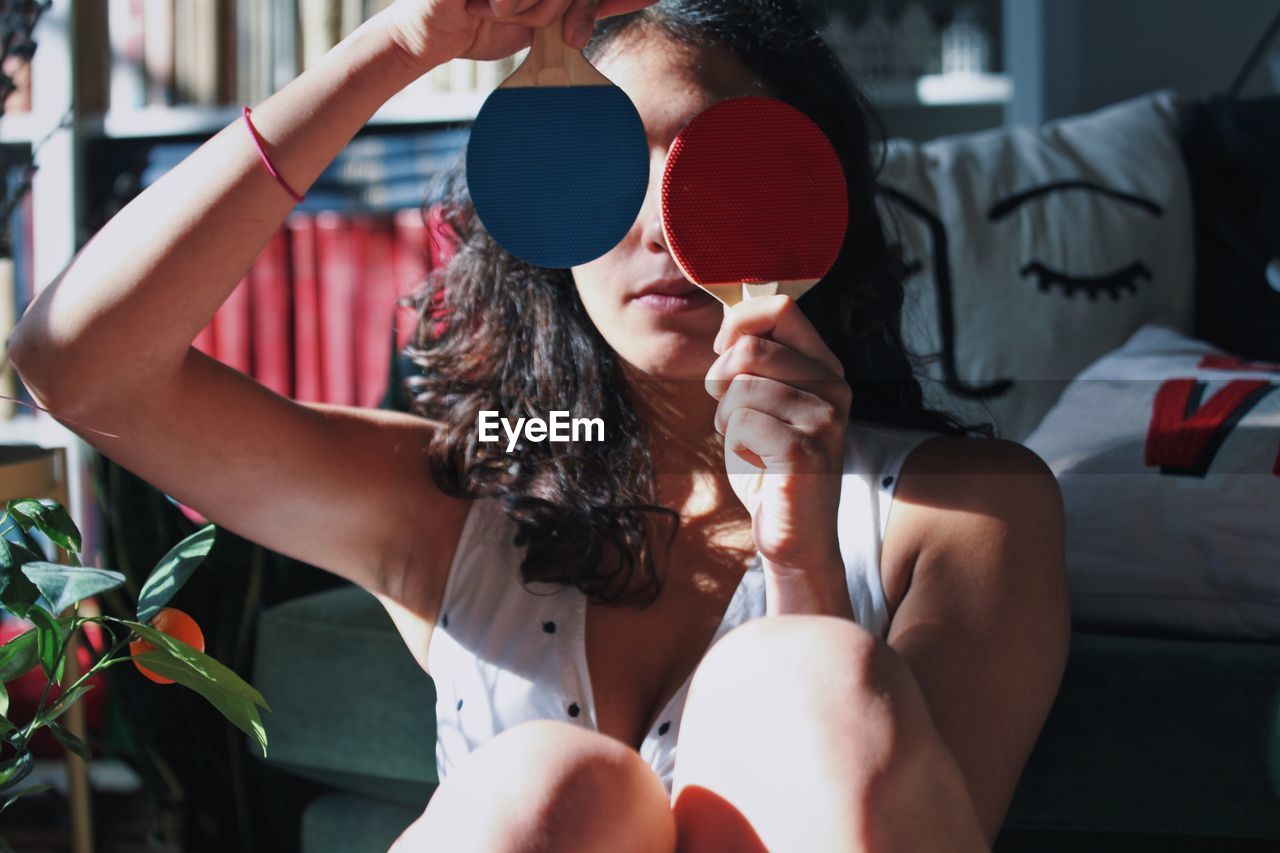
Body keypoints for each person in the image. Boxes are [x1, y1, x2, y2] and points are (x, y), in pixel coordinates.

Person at [8, 0, 1070, 849]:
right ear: (538, 224)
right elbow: (78, 366)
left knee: (805, 673)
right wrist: (398, 45)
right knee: (546, 781)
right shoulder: (478, 483)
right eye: (605, 163)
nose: (659, 225)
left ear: (809, 194)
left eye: (713, 166)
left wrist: (800, 566)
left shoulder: (966, 507)